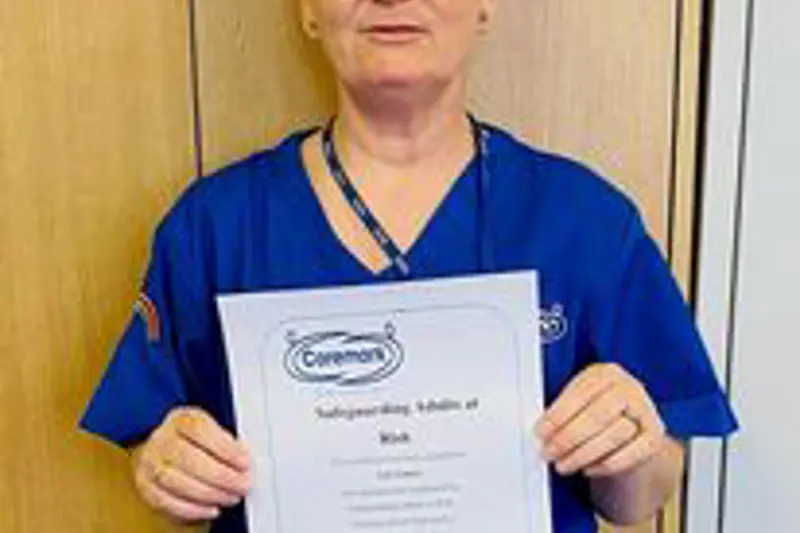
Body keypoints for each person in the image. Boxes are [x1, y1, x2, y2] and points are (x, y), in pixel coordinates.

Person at [80, 0, 737, 531]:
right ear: (308, 10)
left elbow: (637, 501)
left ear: (486, 5)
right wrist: (167, 468)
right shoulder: (213, 226)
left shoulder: (585, 220)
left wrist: (630, 448)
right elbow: (153, 446)